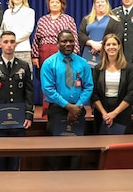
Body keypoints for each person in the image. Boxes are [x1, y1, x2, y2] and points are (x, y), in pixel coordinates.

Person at [40, 30, 93, 169]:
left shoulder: (83, 63)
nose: (68, 44)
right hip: (57, 111)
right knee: (56, 153)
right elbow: (48, 90)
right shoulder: (49, 63)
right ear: (57, 43)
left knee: (76, 153)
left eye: (71, 41)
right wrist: (68, 106)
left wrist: (78, 106)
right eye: (64, 41)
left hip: (78, 110)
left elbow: (88, 87)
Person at [0, 30, 33, 171]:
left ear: (16, 44)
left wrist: (29, 114)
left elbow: (29, 91)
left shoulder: (23, 65)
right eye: (6, 42)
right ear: (0, 44)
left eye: (12, 42)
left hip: (18, 120)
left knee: (15, 161)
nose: (9, 45)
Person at [31, 0, 79, 107]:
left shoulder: (68, 19)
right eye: (52, 2)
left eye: (57, 2)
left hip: (62, 52)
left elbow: (74, 38)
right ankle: (47, 111)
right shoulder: (42, 20)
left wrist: (74, 54)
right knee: (47, 80)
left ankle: (64, 107)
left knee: (62, 79)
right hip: (44, 52)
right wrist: (35, 56)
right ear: (48, 4)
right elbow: (36, 39)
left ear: (62, 5)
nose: (54, 4)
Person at [90, 34, 133, 135]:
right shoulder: (98, 68)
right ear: (104, 47)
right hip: (102, 112)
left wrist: (114, 113)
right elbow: (94, 93)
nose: (111, 47)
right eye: (108, 44)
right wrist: (105, 114)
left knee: (122, 147)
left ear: (119, 46)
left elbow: (131, 93)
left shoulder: (128, 68)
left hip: (122, 112)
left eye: (114, 44)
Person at [78, 0, 122, 68]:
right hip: (88, 54)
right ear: (94, 5)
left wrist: (102, 45)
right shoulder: (86, 19)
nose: (100, 4)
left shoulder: (115, 21)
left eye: (102, 2)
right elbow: (81, 34)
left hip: (107, 54)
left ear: (107, 4)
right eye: (97, 2)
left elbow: (119, 36)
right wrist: (92, 44)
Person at [0, 0, 35, 64]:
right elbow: (2, 30)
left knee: (23, 74)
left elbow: (28, 31)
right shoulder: (7, 12)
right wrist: (4, 42)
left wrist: (12, 41)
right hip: (7, 49)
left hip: (22, 49)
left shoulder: (29, 11)